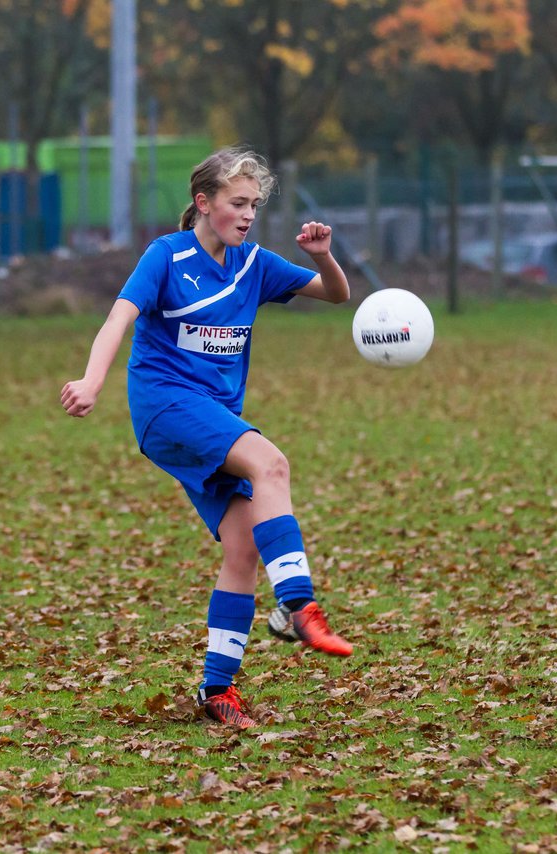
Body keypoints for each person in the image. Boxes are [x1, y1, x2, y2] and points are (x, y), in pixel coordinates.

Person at [60, 147, 353, 729]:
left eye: (254, 206)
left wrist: (324, 258)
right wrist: (91, 381)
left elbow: (336, 295)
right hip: (165, 406)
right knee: (270, 464)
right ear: (204, 202)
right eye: (237, 204)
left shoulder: (254, 264)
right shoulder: (166, 256)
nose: (247, 216)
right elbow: (118, 318)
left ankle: (217, 691)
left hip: (210, 416)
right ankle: (299, 605)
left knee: (242, 550)